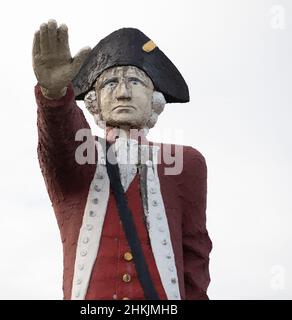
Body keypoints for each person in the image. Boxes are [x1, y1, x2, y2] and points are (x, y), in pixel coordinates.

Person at [32, 19, 212, 300]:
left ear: (154, 97)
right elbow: (61, 141)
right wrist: (54, 96)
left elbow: (195, 256)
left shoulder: (186, 163)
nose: (123, 92)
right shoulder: (83, 155)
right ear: (95, 100)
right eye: (111, 82)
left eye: (135, 81)